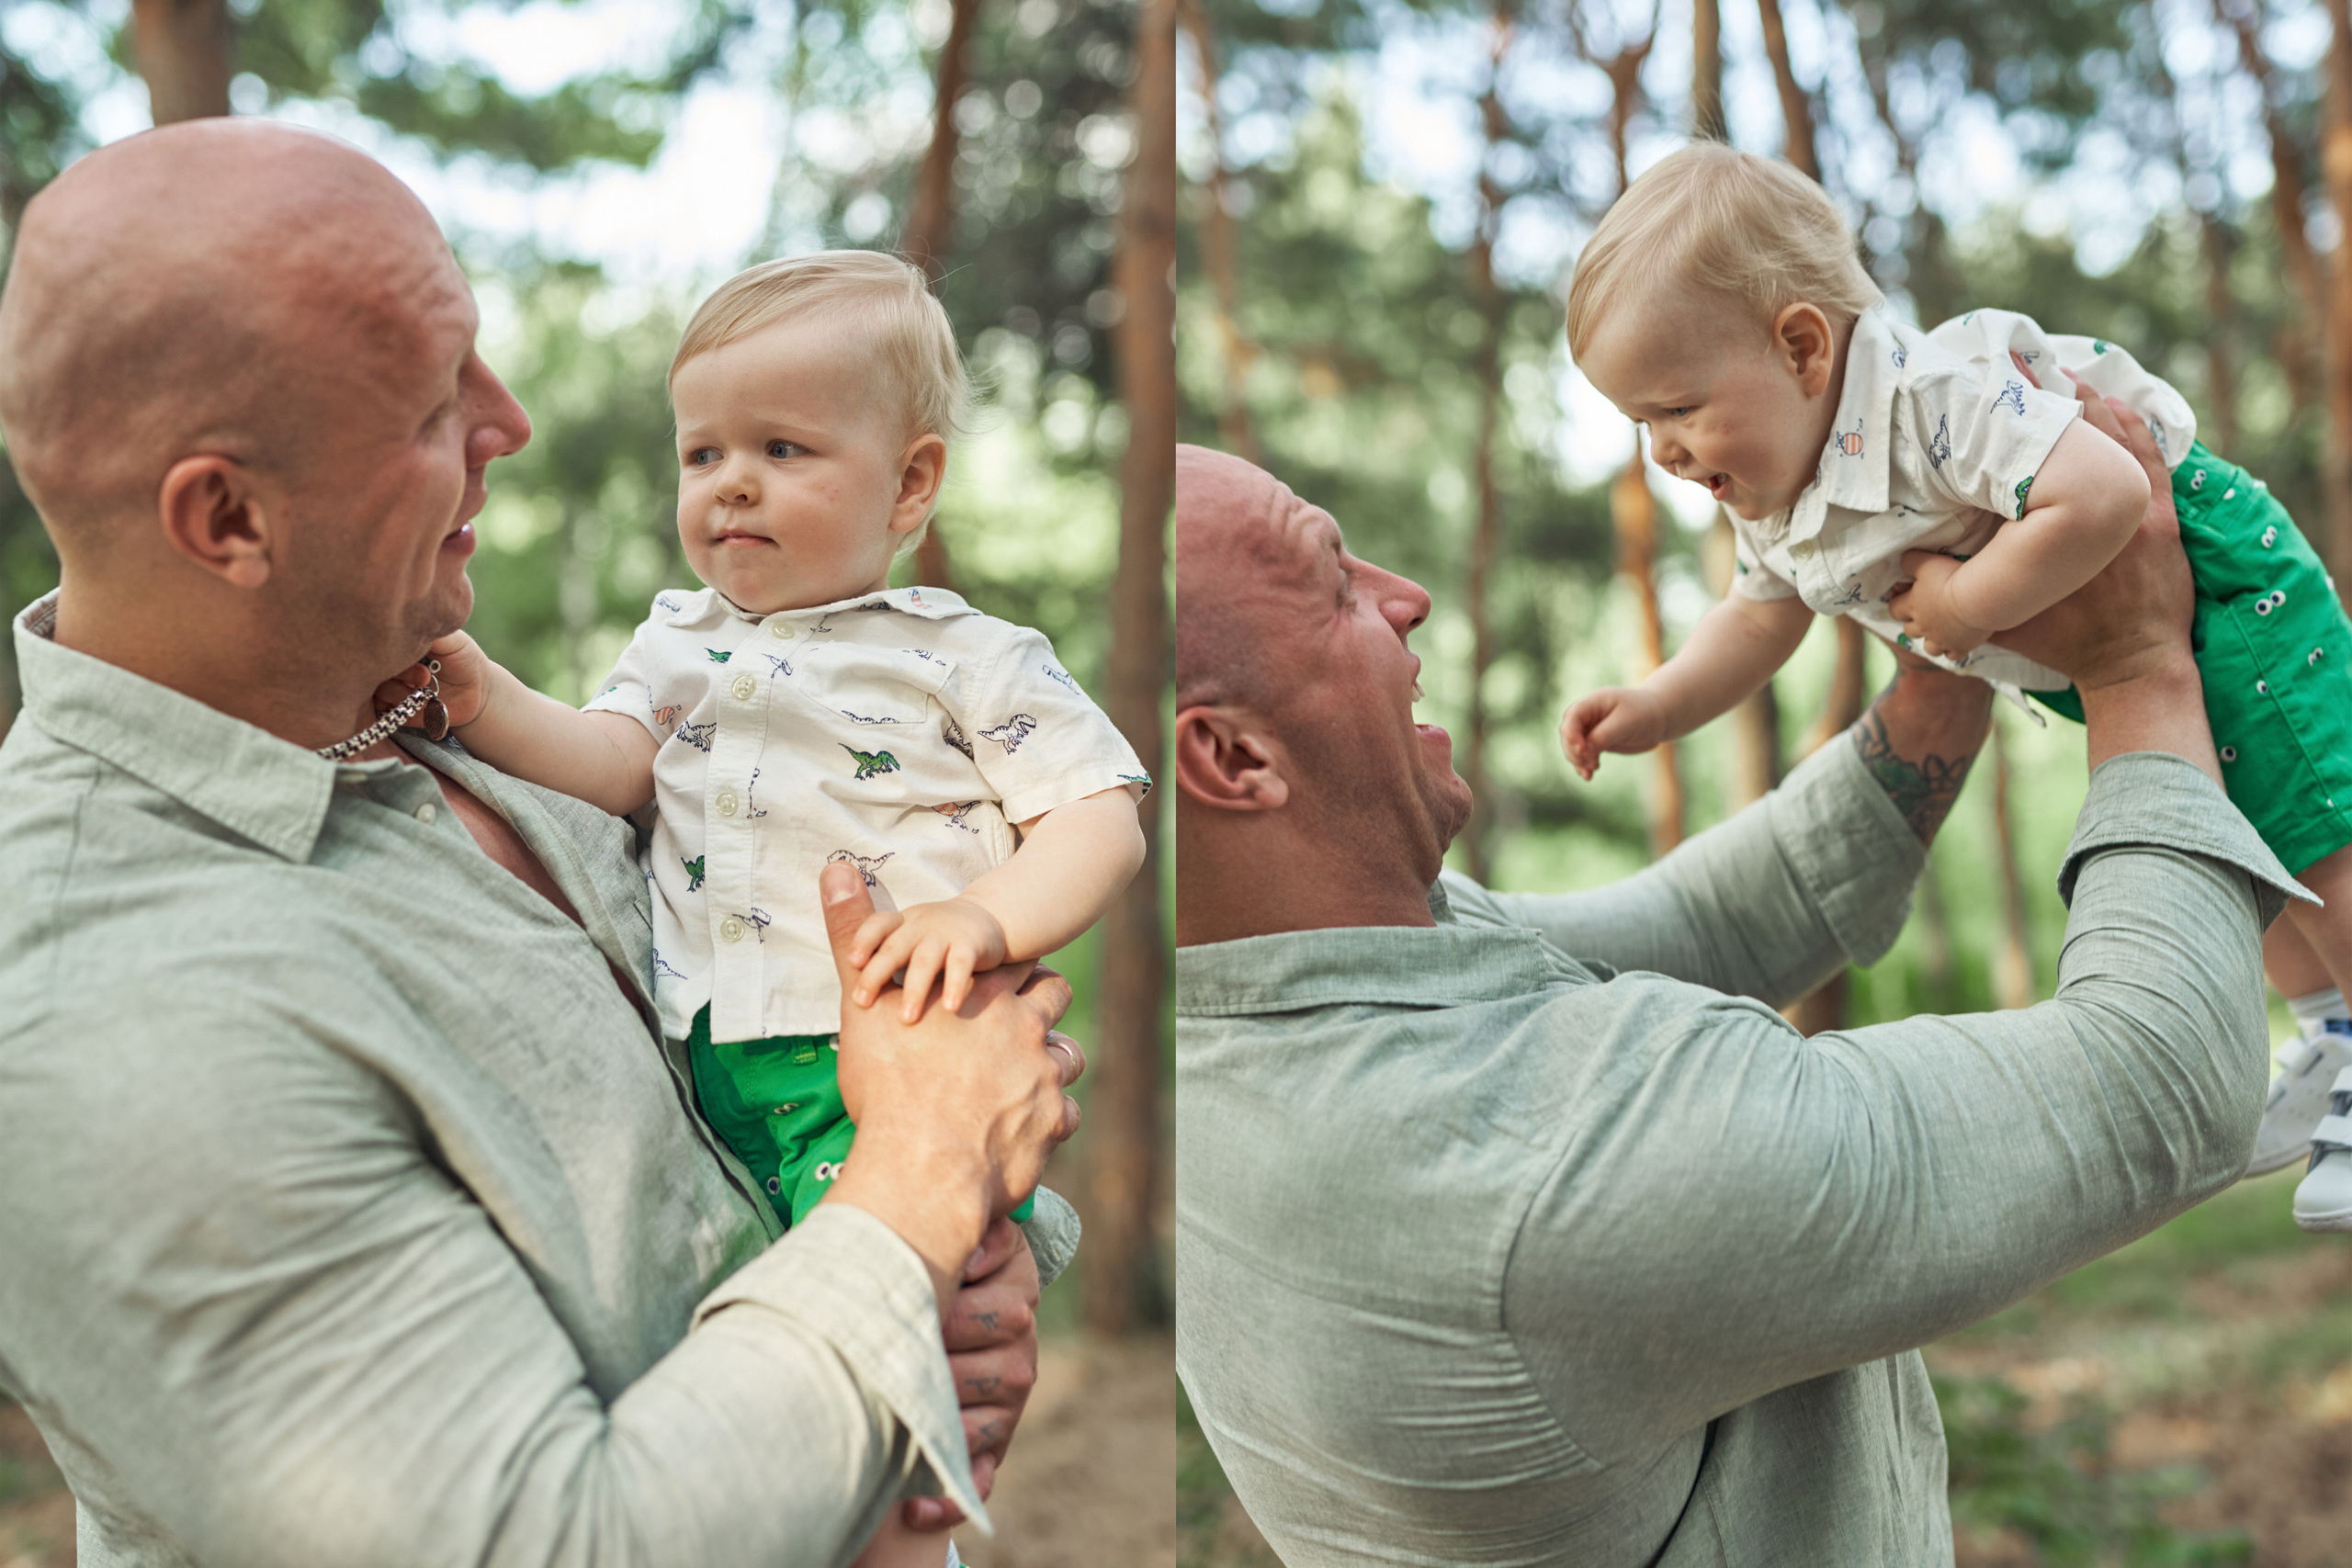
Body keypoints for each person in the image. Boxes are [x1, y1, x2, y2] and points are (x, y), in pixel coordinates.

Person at [0, 118, 1085, 1568]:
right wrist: (920, 1187)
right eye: (431, 402)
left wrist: (944, 1297)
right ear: (229, 518)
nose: (508, 422)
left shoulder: (418, 708)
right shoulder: (91, 1015)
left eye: (481, 356)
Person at [1170, 405, 2301, 1564]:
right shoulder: (1517, 1172)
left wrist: (1943, 656)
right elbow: (2161, 1076)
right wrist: (2135, 667)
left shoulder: (1273, 1006)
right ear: (1234, 759)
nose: (1405, 592)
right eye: (1336, 587)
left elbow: (1712, 920)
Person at [408, 251, 1148, 1568]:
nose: (731, 482)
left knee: (885, 1384)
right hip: (704, 1087)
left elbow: (1098, 812)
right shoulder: (675, 642)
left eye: (785, 447)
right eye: (703, 454)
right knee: (740, 1366)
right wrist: (480, 692)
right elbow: (609, 761)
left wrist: (984, 918)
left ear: (910, 482)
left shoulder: (961, 654)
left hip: (872, 1069)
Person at [1555, 142, 2352, 1228]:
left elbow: (2108, 493)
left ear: (1799, 346)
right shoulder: (1778, 504)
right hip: (2112, 639)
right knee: (2239, 834)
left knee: (2312, 825)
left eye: (1678, 408)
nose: (1664, 453)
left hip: (2217, 578)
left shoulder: (1936, 399)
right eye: (1640, 425)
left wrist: (1966, 609)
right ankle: (2328, 1029)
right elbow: (1754, 617)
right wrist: (1657, 705)